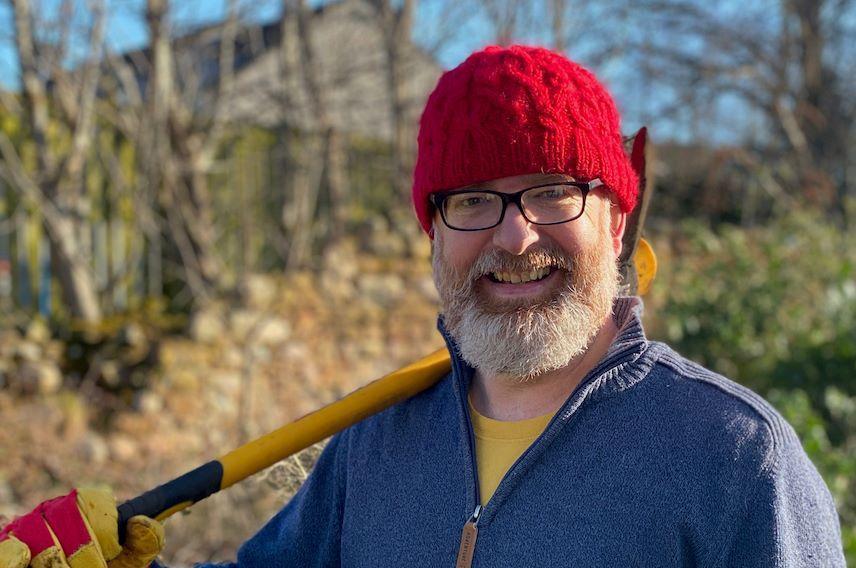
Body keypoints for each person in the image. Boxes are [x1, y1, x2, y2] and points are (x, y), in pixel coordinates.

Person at [0, 44, 845, 568]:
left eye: (553, 194)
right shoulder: (376, 447)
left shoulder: (735, 460)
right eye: (472, 201)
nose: (514, 238)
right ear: (433, 235)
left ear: (618, 219)